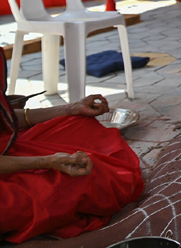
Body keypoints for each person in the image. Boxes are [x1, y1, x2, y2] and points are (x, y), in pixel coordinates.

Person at [0, 51, 143, 243]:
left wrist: (70, 109)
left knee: (79, 123)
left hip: (8, 150)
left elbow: (6, 118)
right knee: (72, 182)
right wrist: (47, 162)